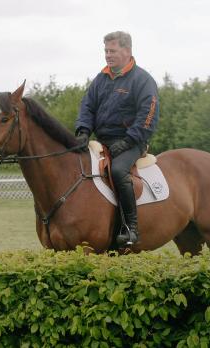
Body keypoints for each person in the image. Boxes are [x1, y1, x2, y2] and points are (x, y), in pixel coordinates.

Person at [75, 31, 160, 246]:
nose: (107, 55)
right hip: (103, 142)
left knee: (118, 171)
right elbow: (87, 106)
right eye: (105, 51)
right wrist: (83, 131)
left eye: (112, 51)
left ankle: (130, 228)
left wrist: (129, 141)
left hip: (131, 143)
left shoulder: (143, 80)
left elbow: (148, 116)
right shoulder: (101, 78)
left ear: (127, 51)